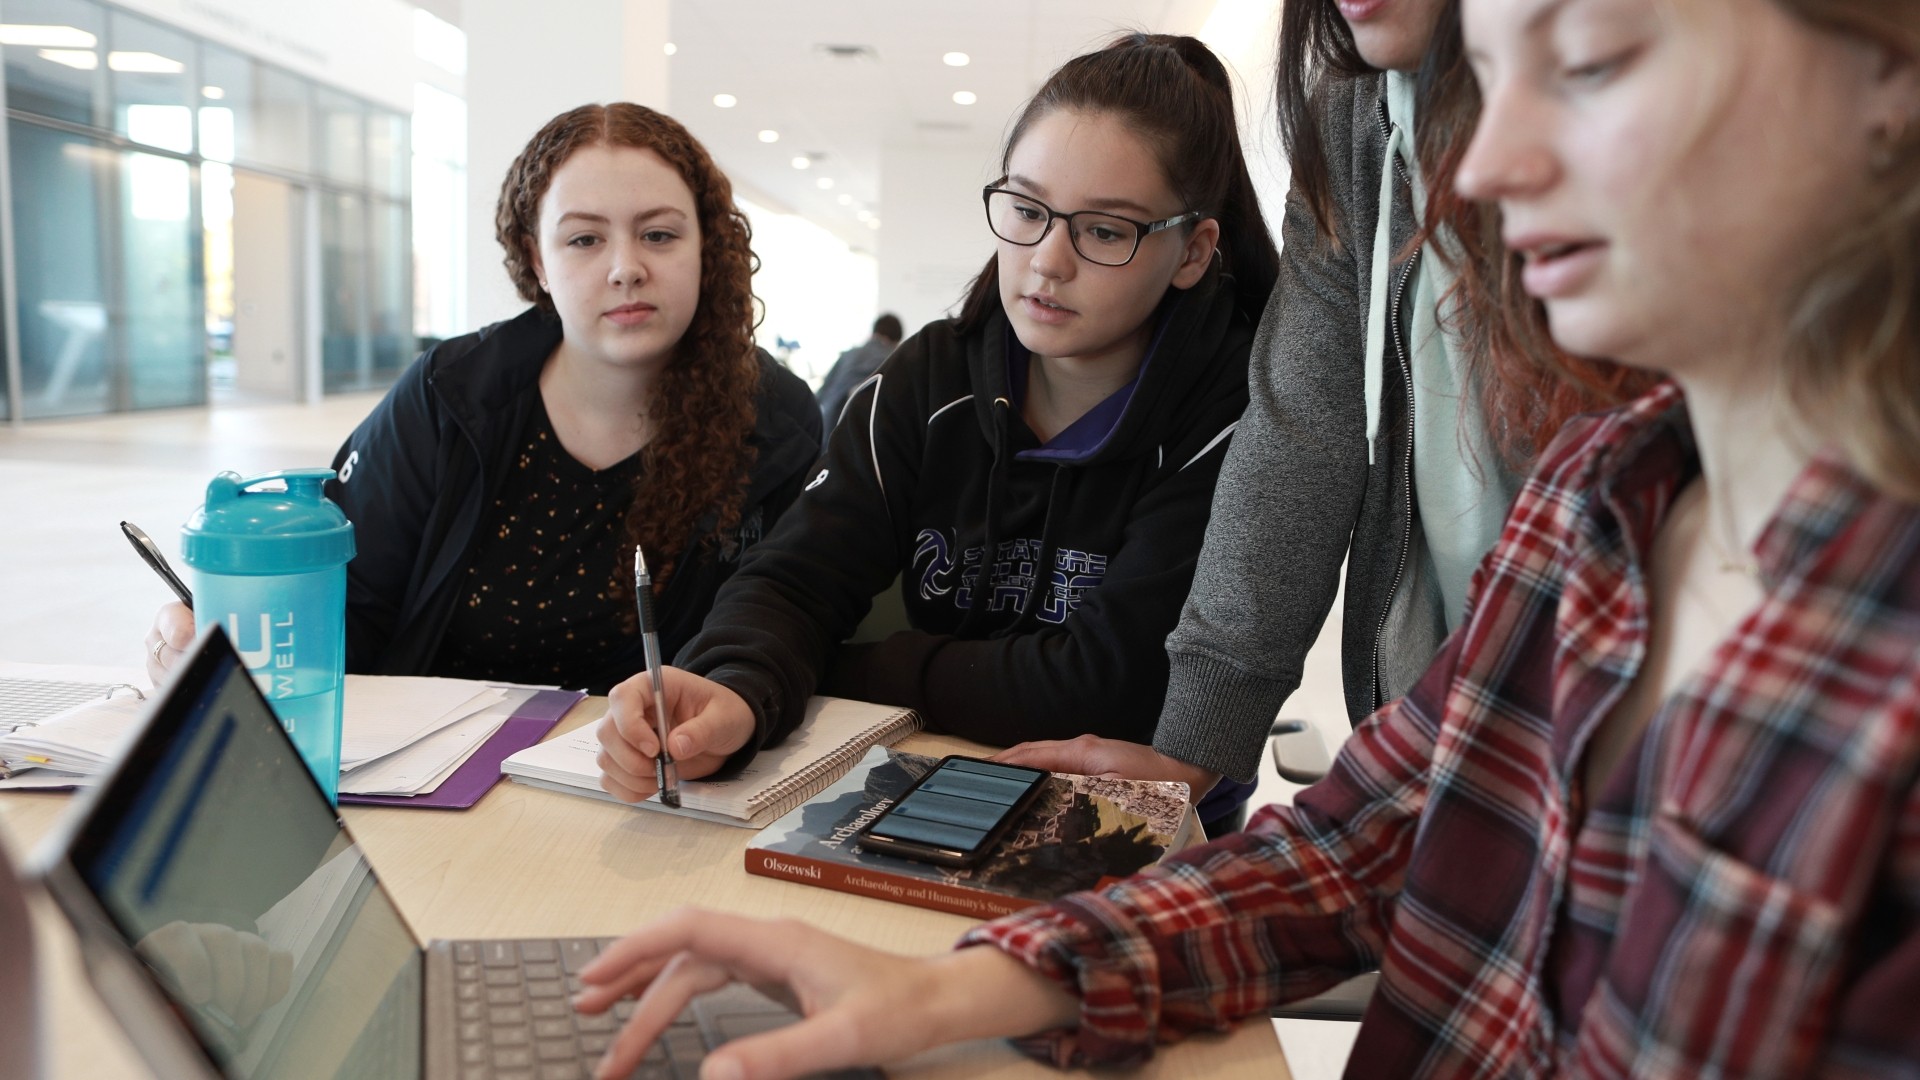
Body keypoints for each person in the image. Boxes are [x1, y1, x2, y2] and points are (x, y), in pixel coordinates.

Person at [568, 0, 1920, 1075]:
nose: (1485, 171)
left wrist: (865, 674)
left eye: (1597, 62)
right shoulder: (1594, 503)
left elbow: (1126, 680)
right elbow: (1347, 855)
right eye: (1486, 82)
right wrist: (945, 991)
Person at [999, 0, 1655, 831]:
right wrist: (1196, 744)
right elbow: (1303, 427)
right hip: (1442, 701)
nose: (1482, 179)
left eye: (1103, 229)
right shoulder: (1352, 110)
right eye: (1027, 213)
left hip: (1629, 697)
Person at [592, 34, 1280, 799]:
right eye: (1026, 209)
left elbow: (1109, 687)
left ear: (1192, 252)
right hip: (932, 780)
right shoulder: (928, 379)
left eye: (1105, 231)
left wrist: (863, 668)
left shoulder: (1237, 417)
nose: (1049, 261)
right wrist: (738, 686)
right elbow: (796, 578)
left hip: (1136, 810)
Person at [143, 104, 822, 695]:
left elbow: (782, 627)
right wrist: (227, 640)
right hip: (440, 781)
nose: (625, 267)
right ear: (536, 259)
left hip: (656, 788)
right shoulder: (451, 397)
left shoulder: (774, 425)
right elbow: (349, 606)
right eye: (585, 239)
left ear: (708, 247)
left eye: (660, 234)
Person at [815, 313, 904, 429]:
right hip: (863, 434)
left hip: (828, 428)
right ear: (894, 341)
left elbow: (822, 393)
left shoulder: (848, 355)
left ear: (874, 333)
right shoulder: (894, 360)